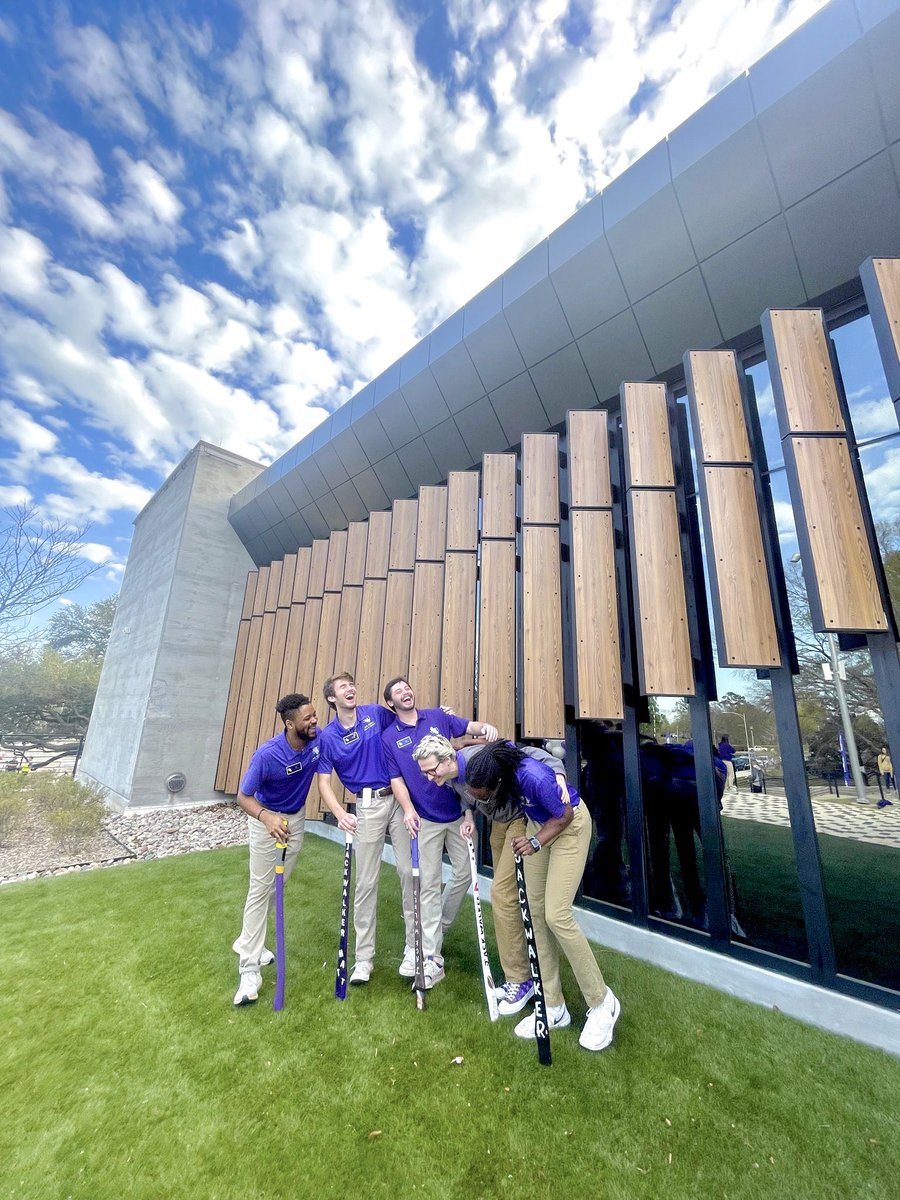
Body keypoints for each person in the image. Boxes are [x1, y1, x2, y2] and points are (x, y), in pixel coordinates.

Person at [455, 741, 620, 1052]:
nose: (485, 802)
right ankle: (553, 1006)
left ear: (499, 782)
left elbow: (565, 815)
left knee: (557, 914)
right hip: (537, 825)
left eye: (486, 796)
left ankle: (602, 1002)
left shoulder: (534, 778)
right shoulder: (496, 767)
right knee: (533, 912)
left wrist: (534, 842)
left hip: (567, 827)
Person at [411, 734, 569, 1018]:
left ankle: (521, 982)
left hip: (522, 820)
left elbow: (527, 755)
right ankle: (523, 972)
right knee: (505, 900)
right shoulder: (449, 775)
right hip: (499, 824)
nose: (429, 777)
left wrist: (557, 772)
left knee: (502, 896)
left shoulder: (478, 757)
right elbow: (464, 796)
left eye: (431, 770)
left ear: (447, 759)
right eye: (424, 772)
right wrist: (468, 816)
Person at [380, 676, 498, 988]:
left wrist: (487, 729)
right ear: (390, 704)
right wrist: (407, 810)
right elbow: (397, 780)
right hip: (426, 819)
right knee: (428, 885)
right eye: (398, 692)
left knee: (464, 874)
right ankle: (431, 957)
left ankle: (437, 929)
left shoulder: (438, 716)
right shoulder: (389, 737)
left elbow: (469, 730)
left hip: (459, 815)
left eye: (408, 687)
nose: (406, 692)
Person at [315, 672, 418, 985]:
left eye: (352, 685)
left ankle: (415, 950)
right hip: (367, 807)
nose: (351, 689)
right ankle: (363, 960)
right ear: (332, 698)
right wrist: (339, 814)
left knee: (407, 871)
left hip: (398, 798)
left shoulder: (375, 713)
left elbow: (406, 721)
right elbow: (323, 782)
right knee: (366, 884)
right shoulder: (328, 736)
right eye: (343, 687)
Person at [232, 693, 320, 1006]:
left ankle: (248, 940)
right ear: (289, 723)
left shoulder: (316, 742)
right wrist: (267, 818)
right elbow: (243, 797)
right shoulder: (267, 755)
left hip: (295, 820)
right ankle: (249, 968)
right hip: (266, 821)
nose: (314, 722)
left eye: (314, 715)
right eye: (308, 718)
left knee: (275, 889)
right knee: (260, 889)